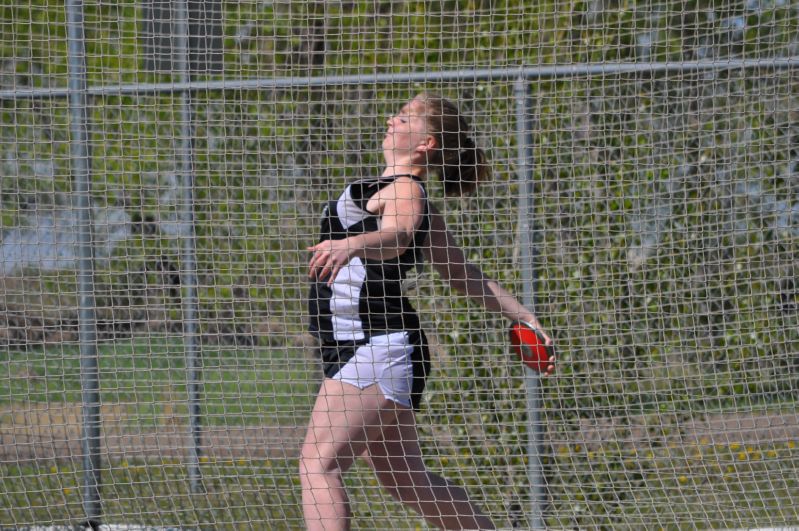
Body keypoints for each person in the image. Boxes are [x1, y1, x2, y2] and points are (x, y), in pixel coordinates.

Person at [301, 92, 555, 530]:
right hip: (366, 346)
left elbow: (398, 235)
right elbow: (464, 274)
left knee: (318, 464)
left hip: (376, 345)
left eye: (402, 118)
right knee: (407, 481)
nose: (390, 120)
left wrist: (352, 244)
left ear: (426, 143)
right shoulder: (399, 194)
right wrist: (524, 315)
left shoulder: (405, 190)